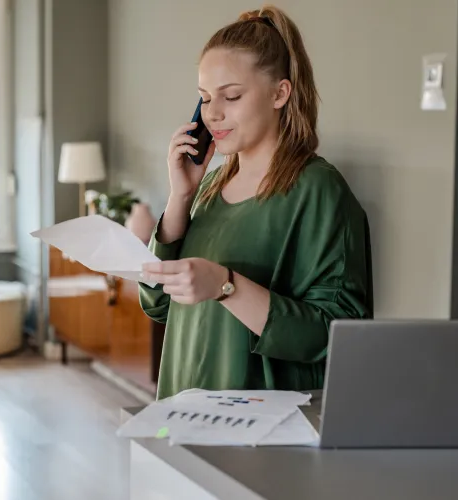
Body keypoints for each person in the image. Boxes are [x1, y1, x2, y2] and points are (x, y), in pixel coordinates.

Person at [139, 5, 373, 400]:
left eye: (231, 96)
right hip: (183, 410)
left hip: (262, 427)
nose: (213, 113)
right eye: (205, 98)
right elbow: (157, 303)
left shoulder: (319, 191)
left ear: (280, 93)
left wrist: (227, 285)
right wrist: (181, 197)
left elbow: (338, 336)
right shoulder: (209, 187)